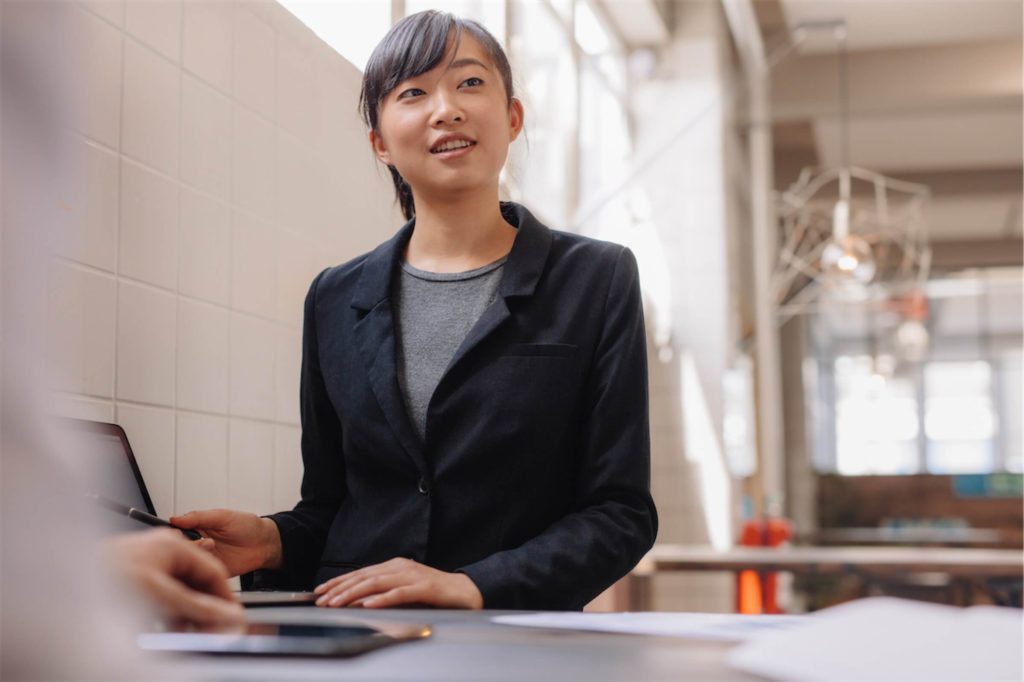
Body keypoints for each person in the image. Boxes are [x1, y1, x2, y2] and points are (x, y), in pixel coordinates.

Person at [172, 10, 657, 611]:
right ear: (380, 142)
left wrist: (474, 585)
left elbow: (621, 512)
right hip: (356, 636)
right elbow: (334, 506)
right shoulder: (334, 296)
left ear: (512, 118)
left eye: (470, 82)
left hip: (515, 639)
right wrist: (271, 541)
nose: (446, 108)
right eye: (413, 93)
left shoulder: (597, 278)